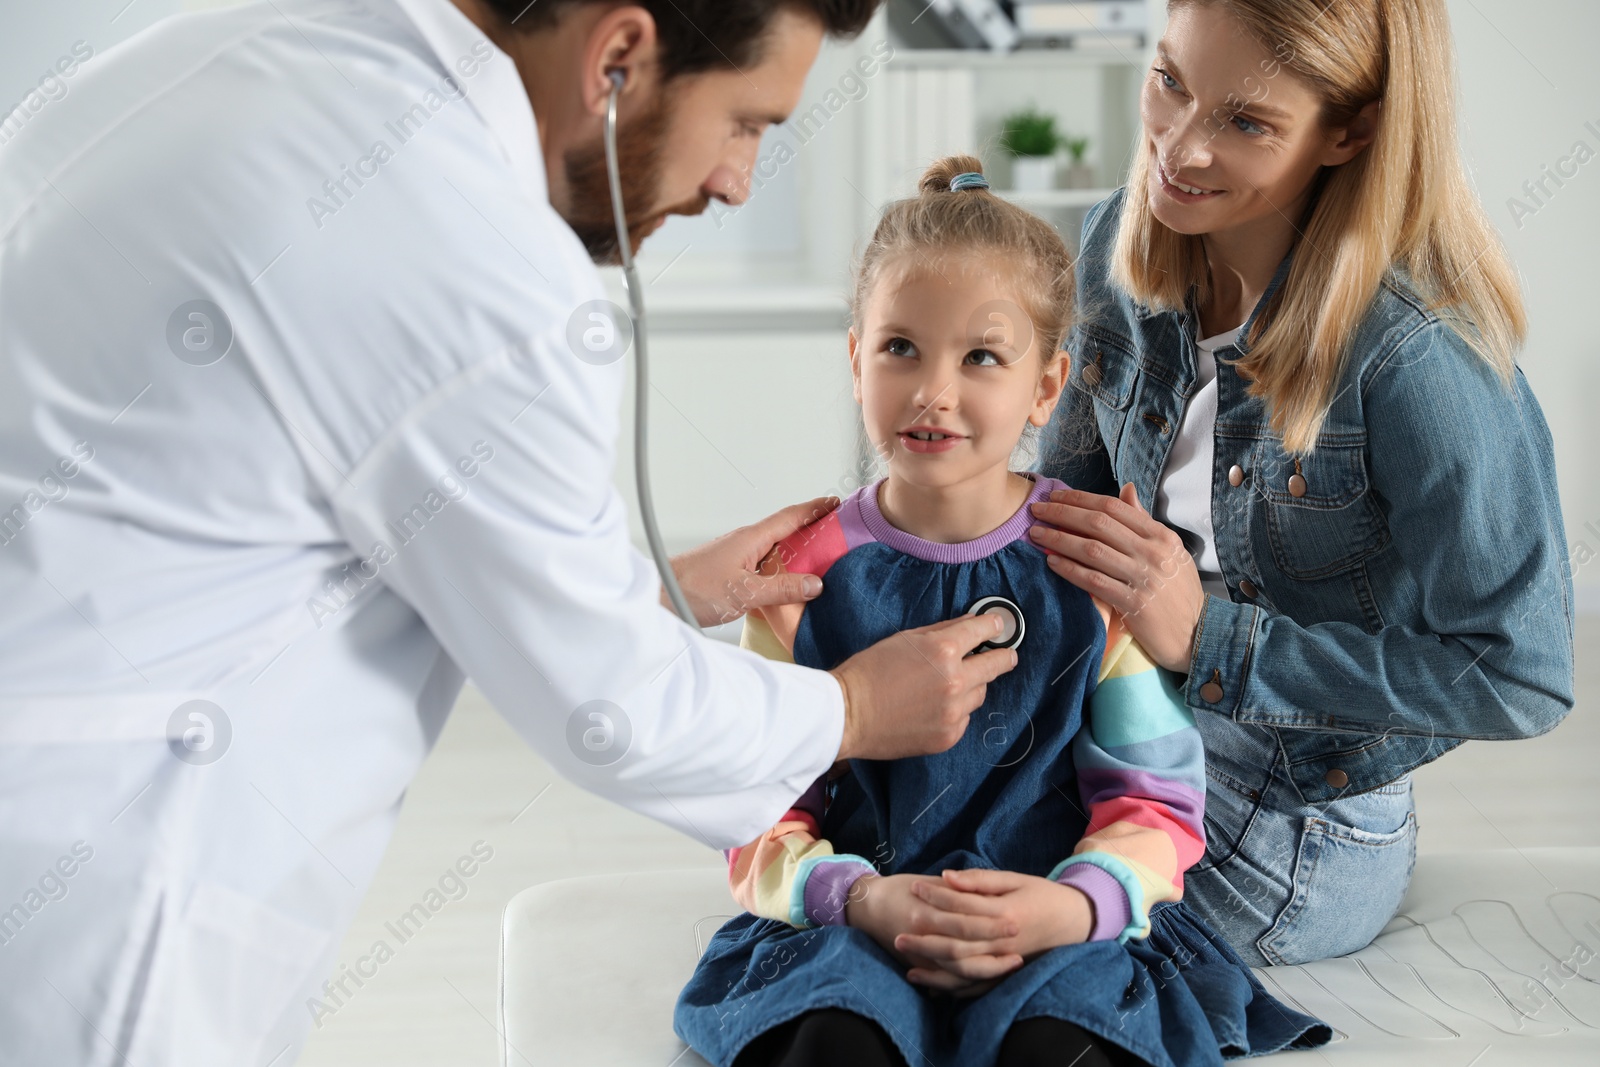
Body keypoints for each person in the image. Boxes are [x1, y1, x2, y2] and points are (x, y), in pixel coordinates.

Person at [0, 1, 1026, 1063]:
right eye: (746, 122)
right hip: (94, 904)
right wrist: (854, 706)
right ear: (620, 56)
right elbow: (612, 709)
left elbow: (253, 513)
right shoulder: (468, 252)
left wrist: (657, 590)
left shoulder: (244, 52)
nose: (735, 180)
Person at [674, 156, 1330, 1067]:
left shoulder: (1093, 567)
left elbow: (1156, 804)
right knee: (834, 1041)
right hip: (851, 926)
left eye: (981, 357)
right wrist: (857, 898)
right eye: (901, 347)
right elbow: (758, 804)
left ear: (1048, 384)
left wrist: (1068, 907)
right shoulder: (799, 576)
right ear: (856, 353)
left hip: (1052, 928)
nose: (933, 391)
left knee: (1062, 1045)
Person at [1029, 0, 1575, 968]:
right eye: (1169, 82)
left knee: (1017, 904)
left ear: (1351, 129)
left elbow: (1519, 671)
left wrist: (1208, 639)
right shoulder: (1117, 244)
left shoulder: (1415, 363)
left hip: (1301, 820)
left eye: (1244, 122)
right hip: (1130, 724)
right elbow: (1056, 522)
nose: (1179, 149)